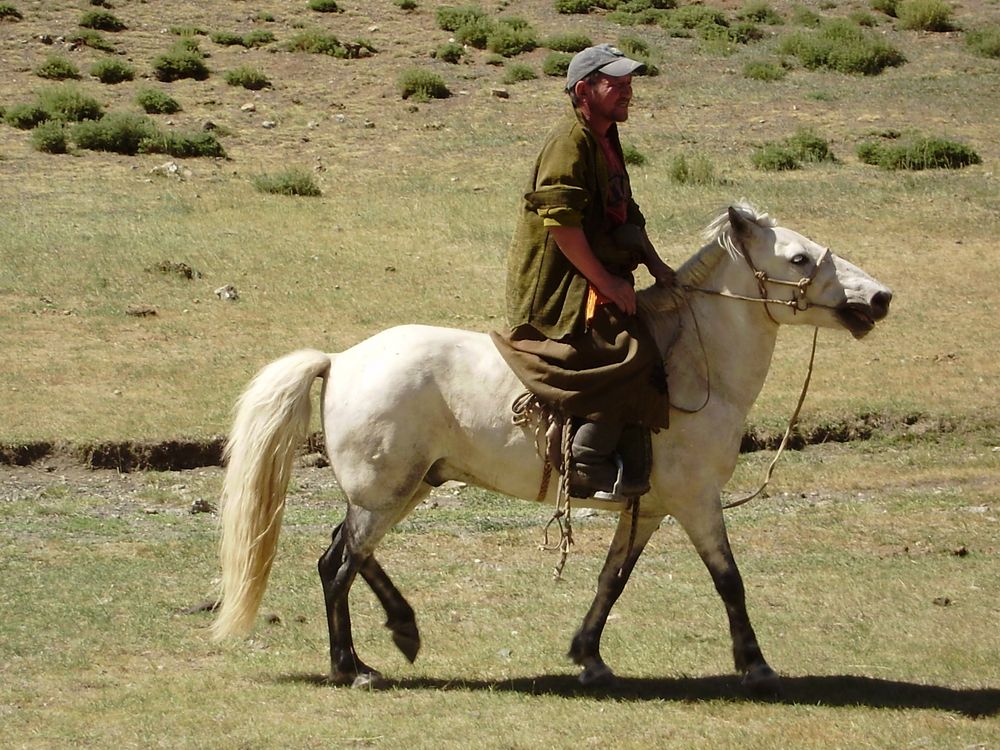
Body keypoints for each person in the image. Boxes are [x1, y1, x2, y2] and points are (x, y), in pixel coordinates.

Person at [491, 43, 676, 502]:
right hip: (559, 283)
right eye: (616, 83)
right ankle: (587, 460)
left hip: (596, 266)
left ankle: (634, 459)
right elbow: (563, 226)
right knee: (623, 345)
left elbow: (623, 211)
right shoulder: (568, 143)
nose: (628, 91)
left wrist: (655, 264)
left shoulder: (605, 136)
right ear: (583, 90)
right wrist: (607, 282)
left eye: (630, 83)